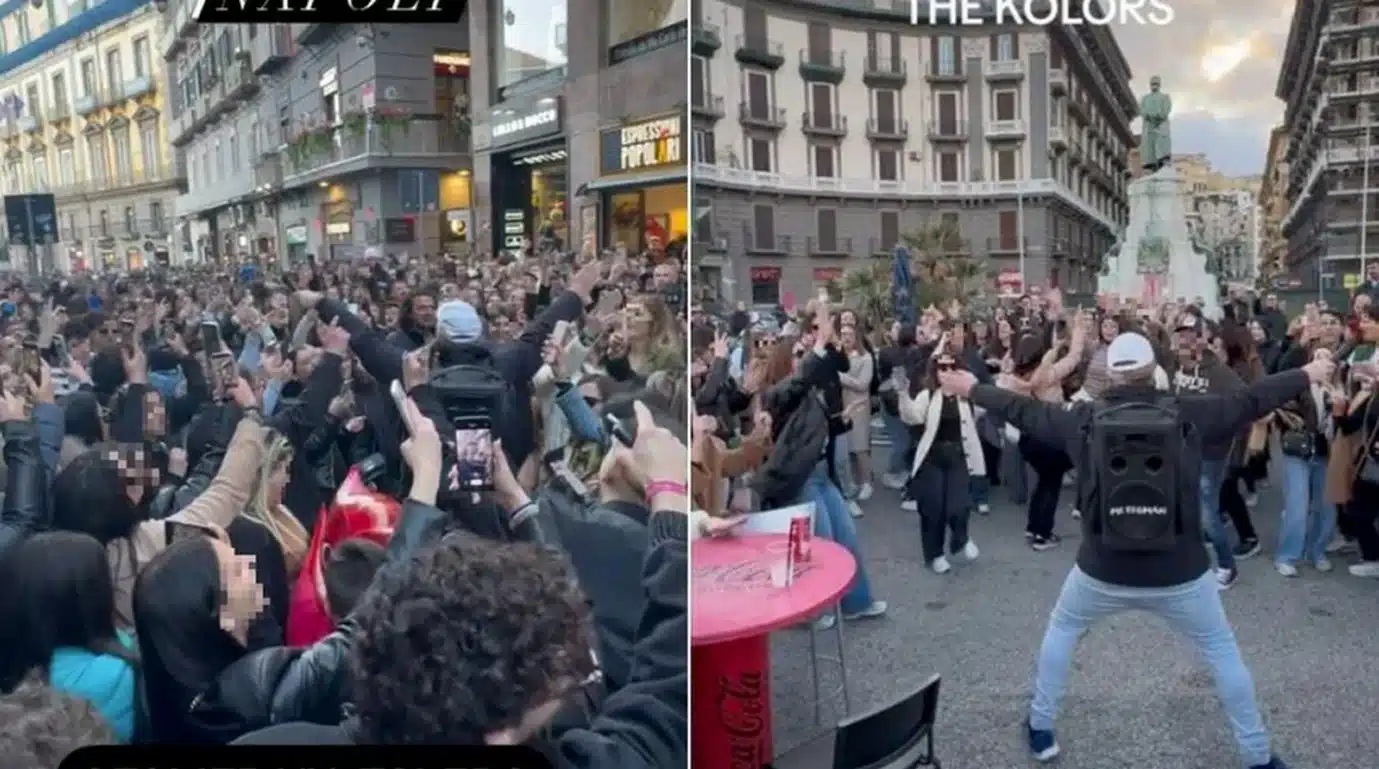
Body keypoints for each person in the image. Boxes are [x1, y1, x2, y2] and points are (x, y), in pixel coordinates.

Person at [935, 331, 1332, 769]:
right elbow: (1254, 398)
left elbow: (1023, 410)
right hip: (1180, 570)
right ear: (1152, 372)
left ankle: (1042, 729)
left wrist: (970, 387)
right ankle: (1257, 756)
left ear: (1109, 375)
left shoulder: (1081, 418)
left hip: (1102, 566)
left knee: (1062, 631)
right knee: (1221, 650)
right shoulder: (1190, 412)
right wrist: (1308, 372)